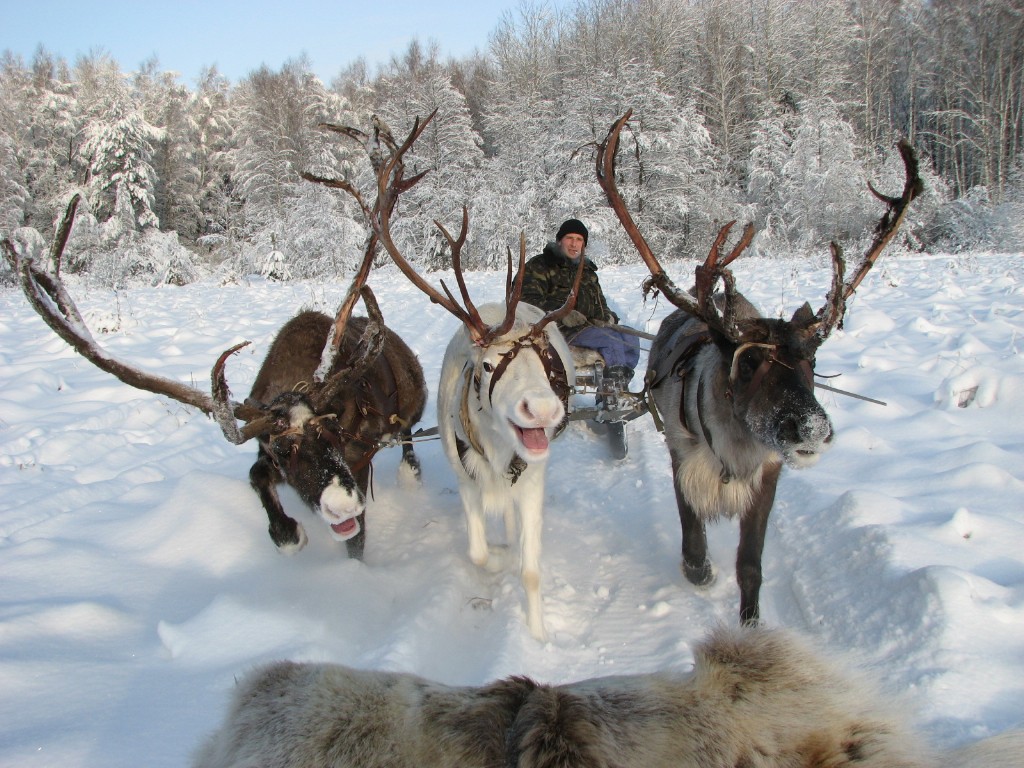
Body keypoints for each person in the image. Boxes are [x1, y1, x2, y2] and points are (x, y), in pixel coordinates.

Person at [519, 219, 640, 392]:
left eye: (579, 239)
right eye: (570, 238)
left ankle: (616, 386)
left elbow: (600, 303)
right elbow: (525, 301)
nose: (574, 244)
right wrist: (562, 313)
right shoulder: (540, 265)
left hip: (587, 329)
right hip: (555, 332)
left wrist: (607, 315)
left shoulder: (587, 271)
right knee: (610, 341)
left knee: (630, 339)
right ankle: (614, 396)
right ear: (560, 240)